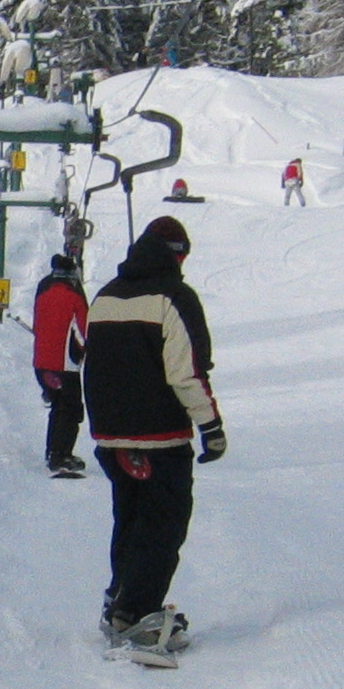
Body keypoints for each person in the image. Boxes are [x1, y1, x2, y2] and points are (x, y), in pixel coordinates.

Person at [81, 215, 223, 662]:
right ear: (176, 254)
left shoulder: (105, 296)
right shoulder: (173, 297)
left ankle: (121, 600)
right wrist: (210, 426)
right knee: (164, 520)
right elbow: (186, 371)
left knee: (131, 515)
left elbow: (93, 360)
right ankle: (138, 614)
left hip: (111, 433)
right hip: (158, 432)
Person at [31, 252, 88, 476]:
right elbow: (84, 327)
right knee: (71, 409)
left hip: (42, 362)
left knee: (57, 406)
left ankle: (53, 451)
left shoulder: (43, 287)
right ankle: (61, 455)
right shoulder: (74, 292)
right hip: (64, 363)